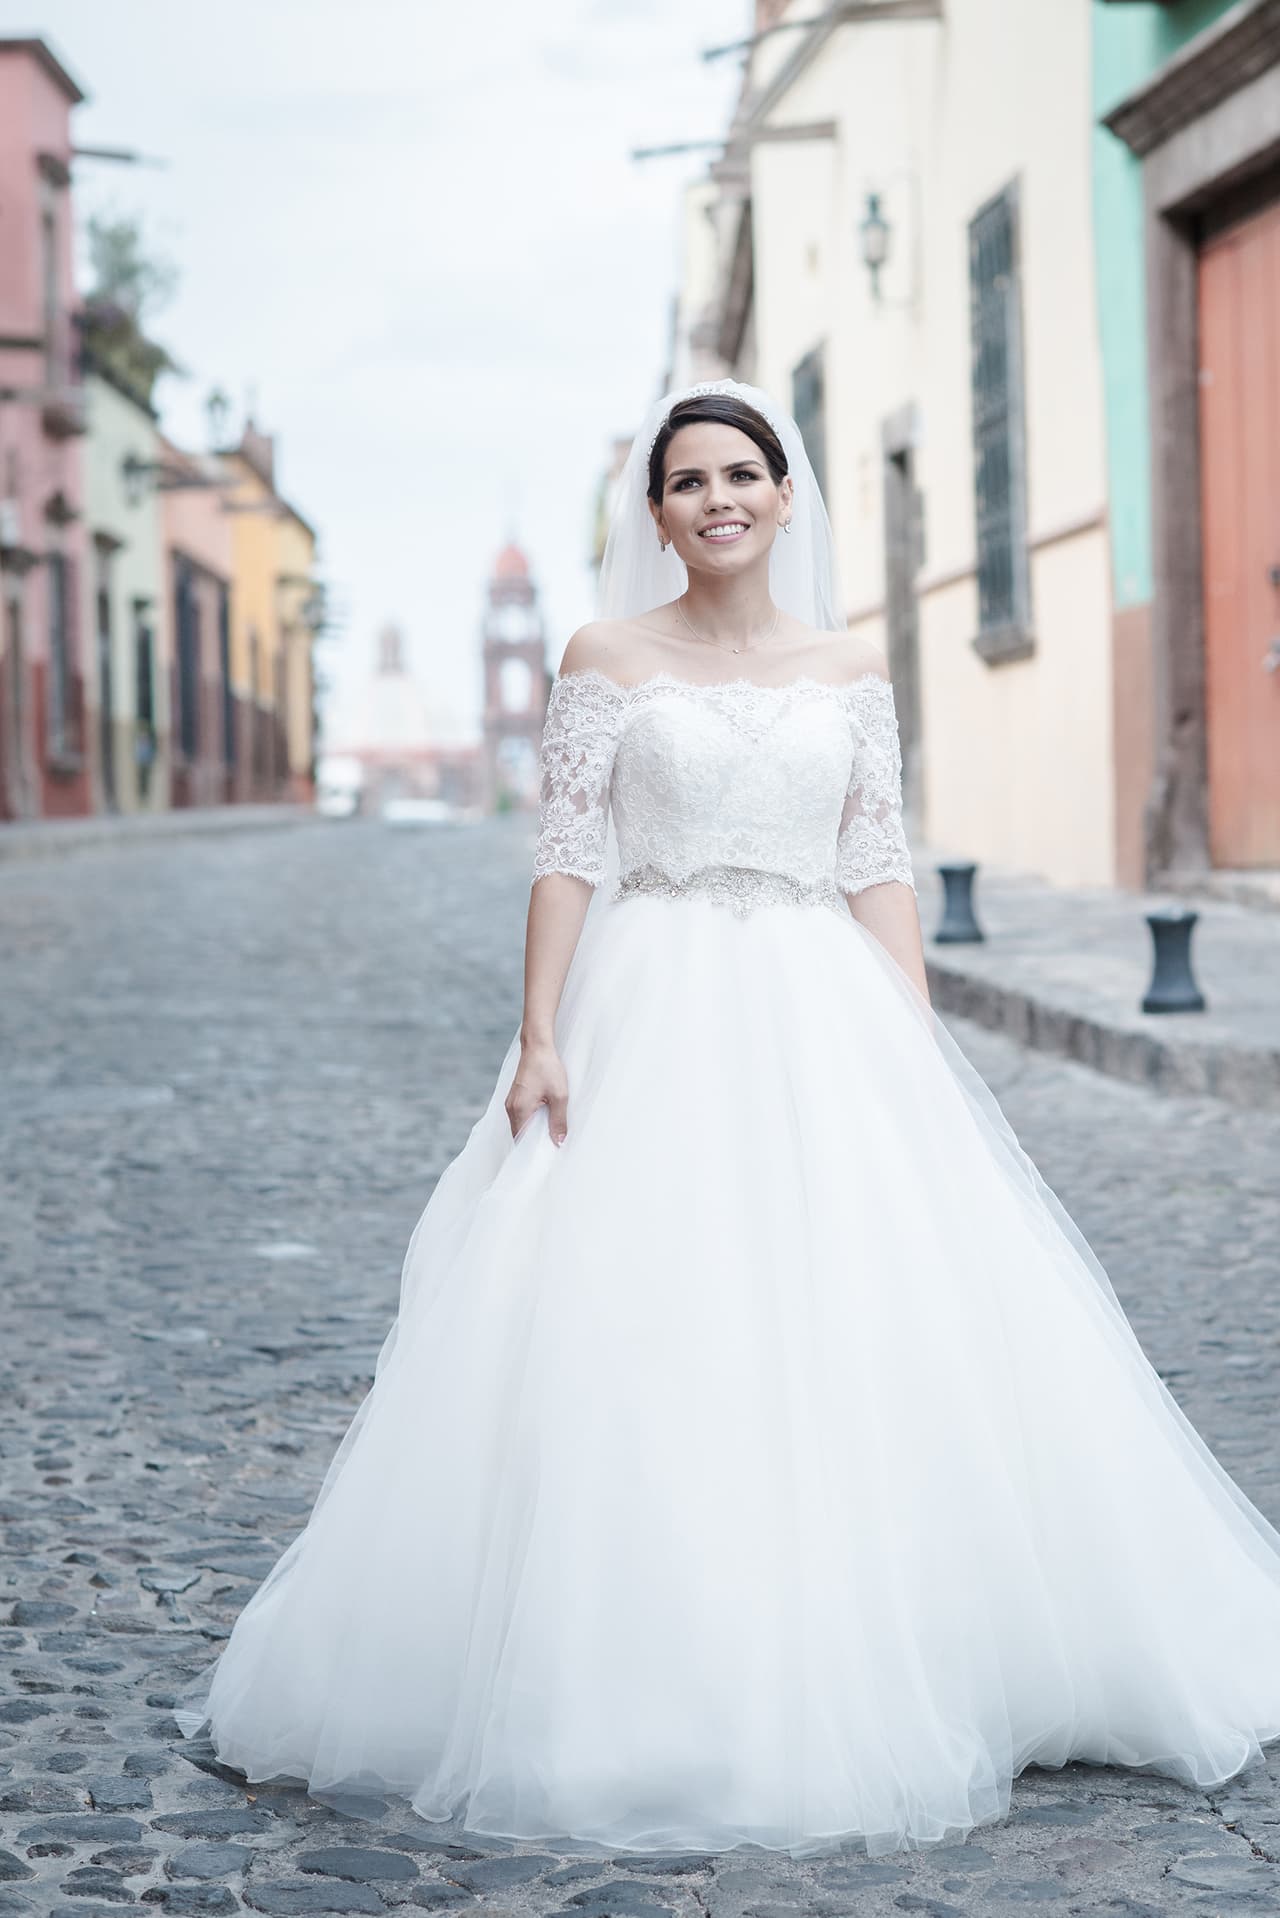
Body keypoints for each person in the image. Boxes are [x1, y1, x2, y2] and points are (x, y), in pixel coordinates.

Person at [176, 380, 1280, 1861]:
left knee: (866, 1317)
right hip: (653, 1001)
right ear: (656, 513)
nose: (718, 500)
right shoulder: (606, 658)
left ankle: (946, 1636)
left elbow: (876, 857)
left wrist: (916, 1044)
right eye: (688, 480)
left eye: (743, 473)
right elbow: (567, 853)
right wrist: (541, 1033)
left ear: (784, 492)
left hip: (824, 1007)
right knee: (646, 1323)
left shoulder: (848, 667)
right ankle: (668, 1658)